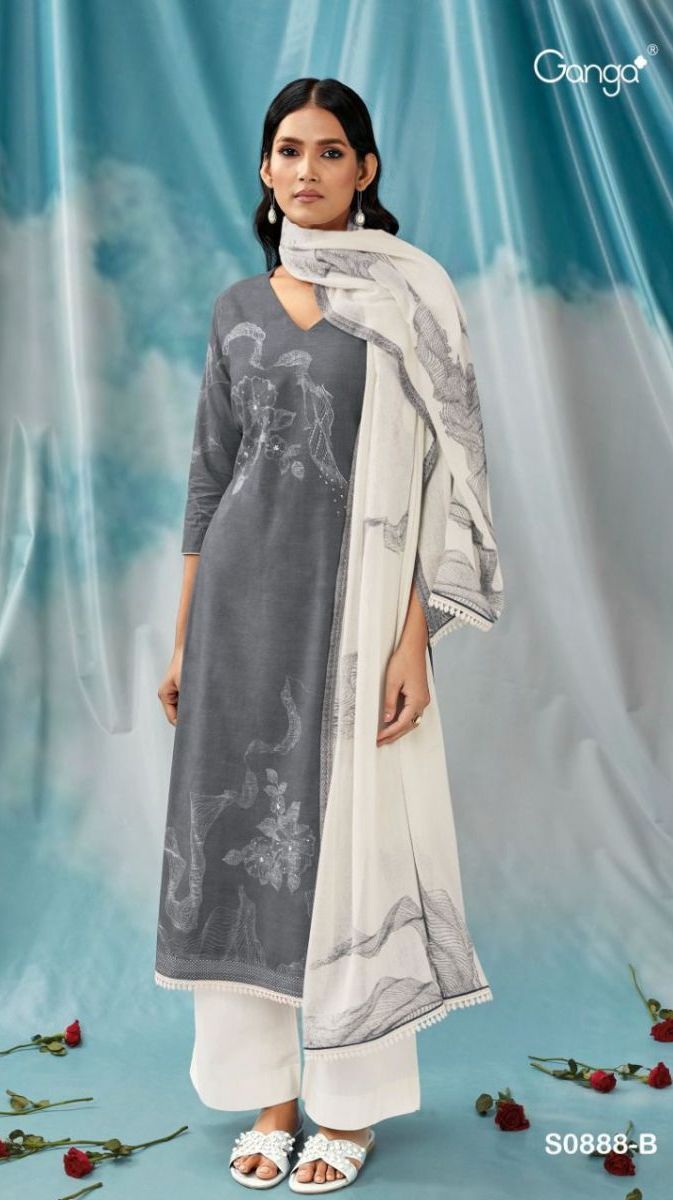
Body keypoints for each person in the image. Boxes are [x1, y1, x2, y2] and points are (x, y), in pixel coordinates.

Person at [155, 77, 503, 1193]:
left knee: (355, 854)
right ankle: (269, 1098)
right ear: (266, 170)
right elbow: (209, 479)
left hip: (355, 620)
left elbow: (446, 480)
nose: (308, 169)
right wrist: (183, 640)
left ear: (365, 170)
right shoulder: (234, 308)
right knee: (237, 846)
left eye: (331, 151)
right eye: (289, 150)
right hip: (238, 617)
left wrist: (415, 642)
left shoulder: (409, 299)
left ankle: (347, 1108)